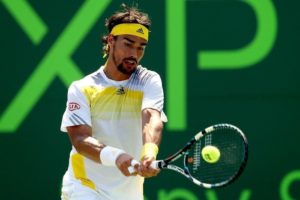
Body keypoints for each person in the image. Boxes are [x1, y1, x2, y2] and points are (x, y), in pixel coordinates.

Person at [60, 4, 167, 200]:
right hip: (85, 187)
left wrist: (149, 151)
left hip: (129, 193)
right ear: (111, 40)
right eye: (128, 44)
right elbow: (80, 140)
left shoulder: (149, 80)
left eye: (140, 47)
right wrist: (116, 156)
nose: (134, 54)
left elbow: (151, 117)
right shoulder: (82, 88)